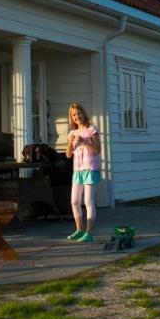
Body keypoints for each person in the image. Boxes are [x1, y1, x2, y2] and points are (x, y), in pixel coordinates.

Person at [64, 102, 101, 242]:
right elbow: (68, 155)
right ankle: (79, 230)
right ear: (71, 117)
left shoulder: (91, 129)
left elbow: (98, 149)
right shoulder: (72, 132)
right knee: (74, 201)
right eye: (74, 114)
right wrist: (70, 142)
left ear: (83, 113)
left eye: (79, 113)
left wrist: (84, 141)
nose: (77, 116)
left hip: (90, 168)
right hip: (78, 171)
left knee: (88, 201)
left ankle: (89, 233)